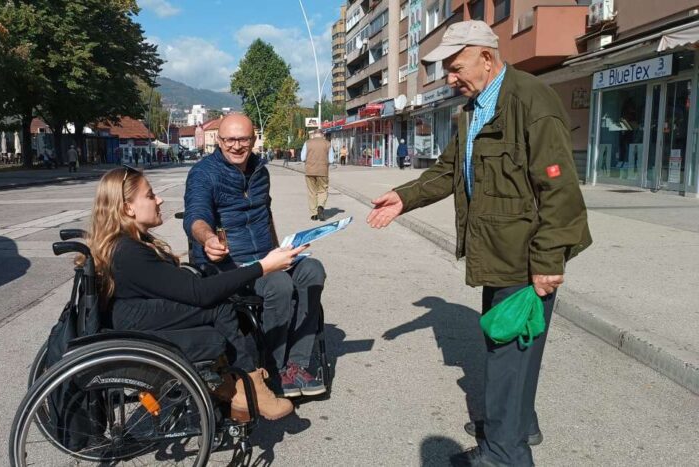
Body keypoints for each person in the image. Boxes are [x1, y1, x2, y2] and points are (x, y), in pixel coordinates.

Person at [366, 20, 592, 467]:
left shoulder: (531, 100)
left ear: (487, 58)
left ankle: (502, 454)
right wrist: (404, 197)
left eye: (455, 67)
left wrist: (548, 260)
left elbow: (559, 188)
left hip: (525, 258)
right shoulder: (473, 108)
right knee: (515, 352)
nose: (450, 77)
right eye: (447, 69)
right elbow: (450, 170)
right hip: (496, 253)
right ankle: (516, 423)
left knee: (508, 355)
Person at [86, 166, 306, 420]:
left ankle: (233, 384)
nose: (159, 199)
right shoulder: (129, 252)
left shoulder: (128, 244)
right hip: (135, 323)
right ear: (127, 208)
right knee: (219, 306)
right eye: (150, 195)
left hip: (132, 314)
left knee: (219, 300)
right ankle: (249, 387)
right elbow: (200, 294)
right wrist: (263, 267)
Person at [184, 114, 327, 398]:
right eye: (229, 140)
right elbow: (196, 217)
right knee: (278, 285)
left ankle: (295, 366)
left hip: (266, 256)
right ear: (219, 141)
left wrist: (281, 249)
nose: (237, 146)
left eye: (244, 139)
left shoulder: (262, 171)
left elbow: (266, 213)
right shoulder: (203, 173)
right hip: (231, 266)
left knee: (313, 270)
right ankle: (272, 369)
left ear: (254, 139)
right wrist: (208, 238)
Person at [301, 130, 334, 221]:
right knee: (323, 190)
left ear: (314, 135)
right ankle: (320, 206)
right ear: (322, 135)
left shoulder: (307, 143)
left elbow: (303, 158)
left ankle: (314, 214)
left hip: (309, 171)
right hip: (323, 171)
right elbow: (331, 160)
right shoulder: (327, 144)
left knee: (312, 192)